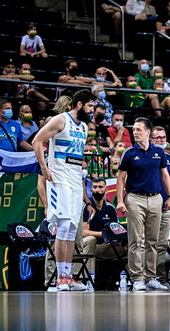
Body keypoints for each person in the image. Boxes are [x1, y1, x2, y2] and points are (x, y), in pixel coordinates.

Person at [31, 89, 95, 291]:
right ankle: (61, 277)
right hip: (59, 179)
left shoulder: (84, 127)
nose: (92, 110)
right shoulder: (61, 120)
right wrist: (43, 166)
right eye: (90, 106)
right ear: (79, 104)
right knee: (64, 226)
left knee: (72, 228)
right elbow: (37, 141)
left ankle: (68, 275)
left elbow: (74, 155)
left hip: (76, 180)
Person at [116, 117, 170, 291]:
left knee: (153, 240)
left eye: (139, 129)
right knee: (136, 240)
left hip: (156, 198)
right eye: (134, 129)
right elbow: (120, 178)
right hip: (135, 198)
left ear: (148, 132)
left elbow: (165, 175)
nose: (135, 132)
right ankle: (137, 278)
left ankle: (150, 277)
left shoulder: (159, 152)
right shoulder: (129, 153)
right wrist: (120, 200)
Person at [81, 177, 127, 275]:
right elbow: (84, 233)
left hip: (106, 247)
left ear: (106, 190)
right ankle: (88, 278)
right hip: (88, 246)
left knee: (132, 244)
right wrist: (104, 234)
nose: (97, 190)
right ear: (91, 190)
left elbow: (115, 230)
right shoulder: (86, 207)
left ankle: (132, 278)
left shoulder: (110, 208)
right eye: (95, 187)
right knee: (91, 240)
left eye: (100, 187)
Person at [151, 126, 170, 288]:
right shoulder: (148, 155)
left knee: (161, 243)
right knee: (149, 242)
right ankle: (146, 276)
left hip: (166, 205)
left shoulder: (168, 158)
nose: (161, 140)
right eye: (158, 137)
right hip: (151, 202)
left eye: (163, 137)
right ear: (151, 139)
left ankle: (159, 277)